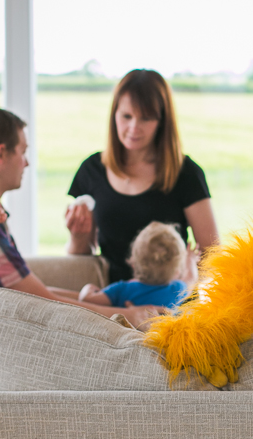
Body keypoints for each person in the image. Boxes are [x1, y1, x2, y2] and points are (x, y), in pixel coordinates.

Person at [0, 105, 159, 325]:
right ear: (1, 154)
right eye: (22, 152)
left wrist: (112, 302)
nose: (27, 163)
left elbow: (29, 291)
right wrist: (128, 316)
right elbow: (38, 300)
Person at [64, 69, 219, 285]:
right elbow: (81, 260)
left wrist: (182, 288)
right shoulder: (92, 170)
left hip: (170, 305)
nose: (134, 127)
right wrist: (77, 237)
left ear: (162, 122)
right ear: (114, 115)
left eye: (146, 118)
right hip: (112, 301)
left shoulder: (186, 173)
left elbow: (212, 256)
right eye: (127, 116)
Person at [78, 222, 198, 326]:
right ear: (177, 272)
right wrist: (191, 260)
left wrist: (88, 288)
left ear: (133, 262)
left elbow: (87, 300)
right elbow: (191, 278)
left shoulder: (123, 290)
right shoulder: (178, 289)